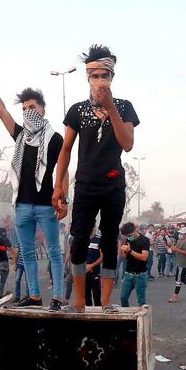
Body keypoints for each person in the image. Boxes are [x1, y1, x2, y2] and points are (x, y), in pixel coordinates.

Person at [52, 44, 139, 313]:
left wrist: (111, 107)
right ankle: (78, 302)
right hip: (86, 184)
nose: (101, 80)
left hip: (113, 184)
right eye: (96, 75)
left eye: (106, 75)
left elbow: (127, 144)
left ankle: (106, 303)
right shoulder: (77, 111)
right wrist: (59, 187)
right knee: (78, 239)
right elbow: (65, 150)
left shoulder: (124, 107)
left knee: (110, 239)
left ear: (112, 78)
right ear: (88, 78)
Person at [0, 49, 65, 310]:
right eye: (25, 108)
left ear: (43, 109)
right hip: (22, 206)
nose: (29, 112)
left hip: (46, 205)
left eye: (33, 107)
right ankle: (35, 296)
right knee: (27, 254)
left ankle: (58, 298)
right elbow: (0, 108)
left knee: (54, 252)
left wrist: (63, 197)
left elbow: (64, 169)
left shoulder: (55, 138)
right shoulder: (19, 136)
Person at [119, 222, 150, 307]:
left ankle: (142, 319)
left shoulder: (144, 240)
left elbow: (144, 257)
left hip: (140, 275)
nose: (128, 237)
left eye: (129, 235)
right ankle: (126, 318)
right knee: (123, 298)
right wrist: (123, 251)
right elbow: (125, 257)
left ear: (135, 230)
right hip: (128, 273)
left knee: (141, 301)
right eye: (126, 236)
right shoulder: (127, 240)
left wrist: (130, 251)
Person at [85, 231, 103, 306]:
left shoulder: (99, 240)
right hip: (84, 272)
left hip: (95, 272)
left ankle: (98, 315)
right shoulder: (82, 239)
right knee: (86, 297)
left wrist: (91, 266)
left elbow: (102, 257)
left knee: (97, 296)